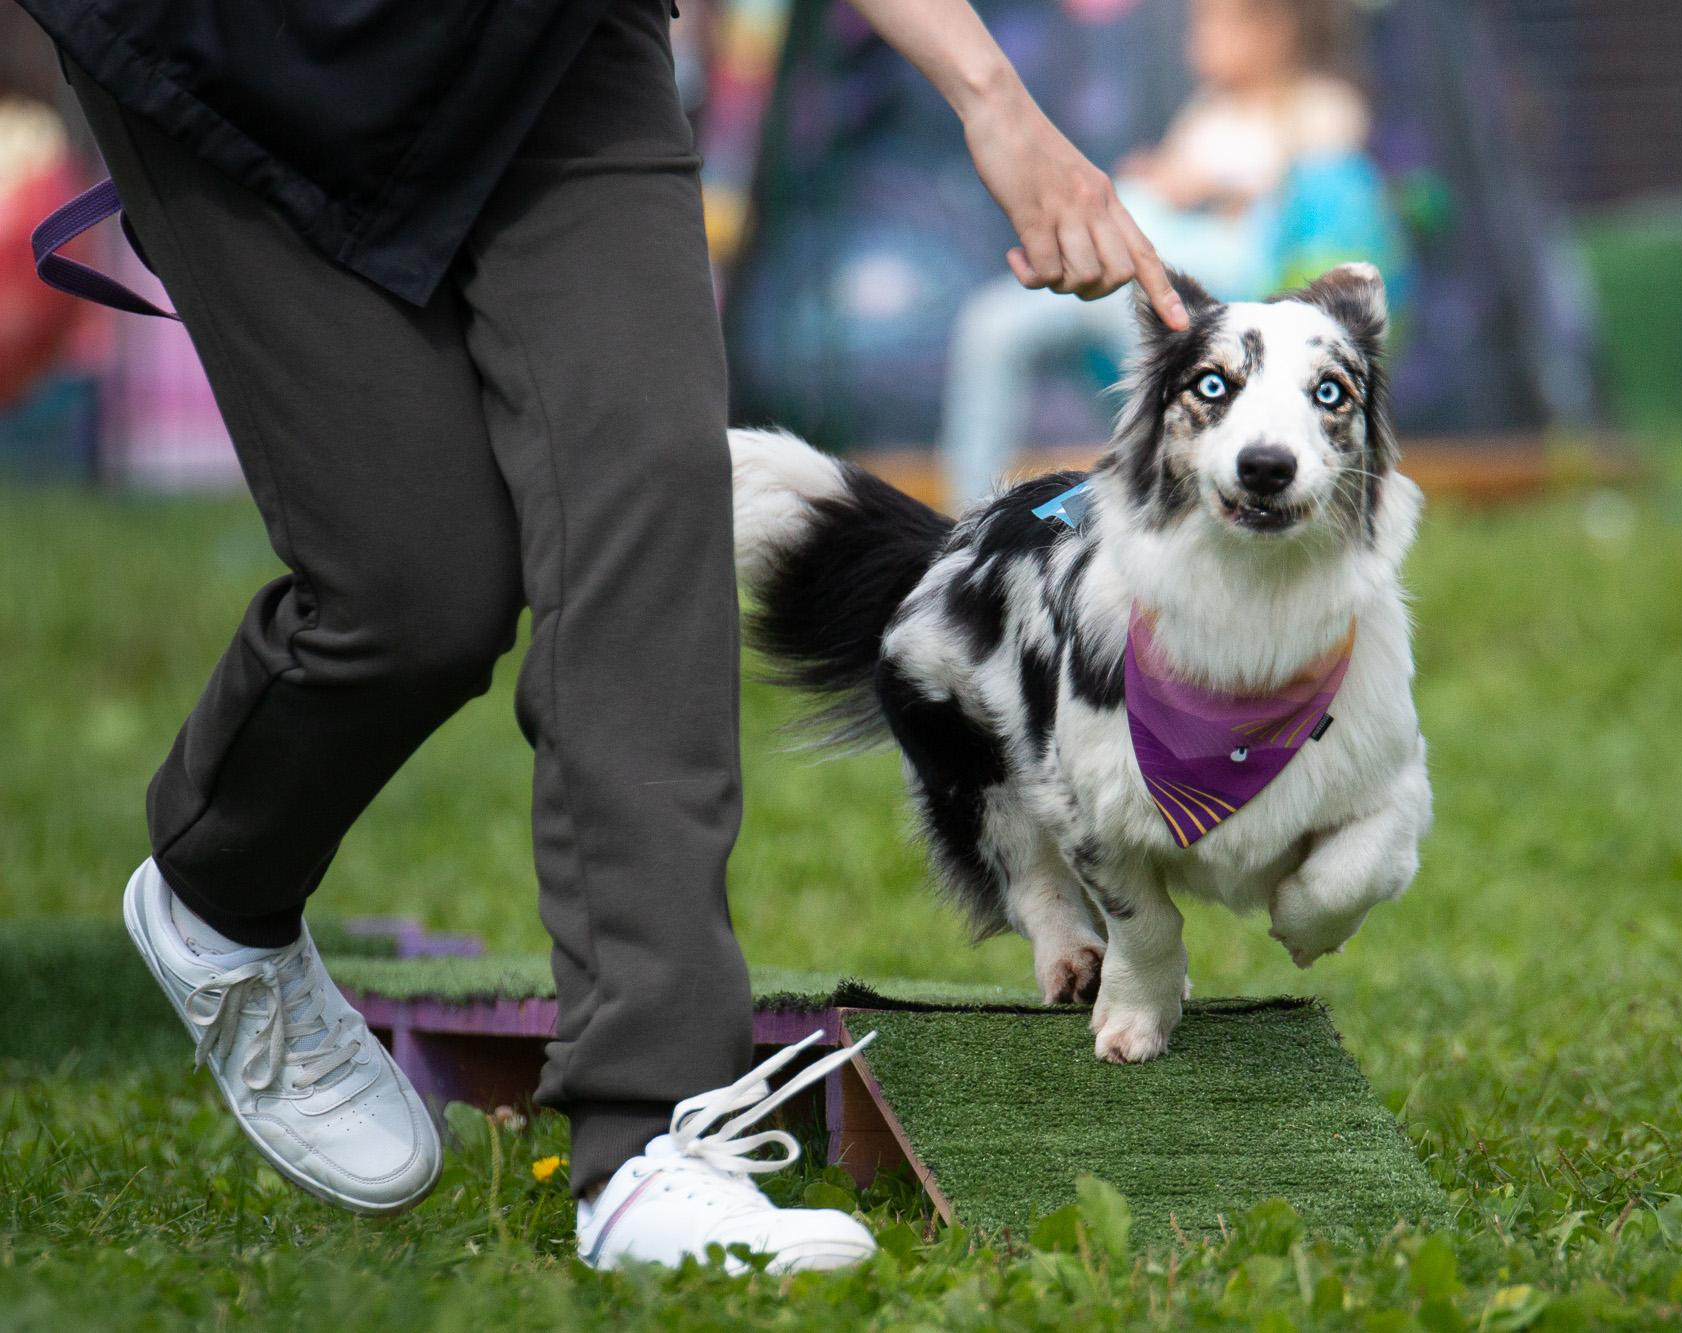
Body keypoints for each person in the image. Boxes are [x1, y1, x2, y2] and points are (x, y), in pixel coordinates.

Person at [14, 0, 1184, 1274]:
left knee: (650, 514)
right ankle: (220, 895)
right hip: (242, 48)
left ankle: (652, 1133)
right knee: (418, 596)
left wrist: (989, 95)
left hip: (554, 38)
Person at [938, 0, 1393, 507]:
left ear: (1272, 31)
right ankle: (969, 512)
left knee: (1135, 319)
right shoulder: (1209, 108)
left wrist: (1207, 186)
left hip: (1224, 278)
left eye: (1212, 25)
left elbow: (1322, 197)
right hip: (1141, 266)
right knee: (992, 325)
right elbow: (1173, 182)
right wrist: (1158, 178)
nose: (1195, 41)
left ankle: (1153, 497)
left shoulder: (1320, 106)